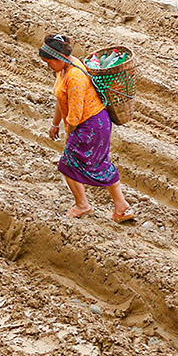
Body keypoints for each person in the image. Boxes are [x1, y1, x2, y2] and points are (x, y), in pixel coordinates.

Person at [39, 34, 135, 223]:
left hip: (90, 124)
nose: (47, 66)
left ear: (59, 58)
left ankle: (83, 205)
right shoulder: (65, 68)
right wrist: (54, 123)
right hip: (95, 123)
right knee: (100, 163)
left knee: (68, 164)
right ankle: (121, 207)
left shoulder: (75, 76)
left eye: (48, 62)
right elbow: (61, 98)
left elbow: (75, 112)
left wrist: (69, 134)